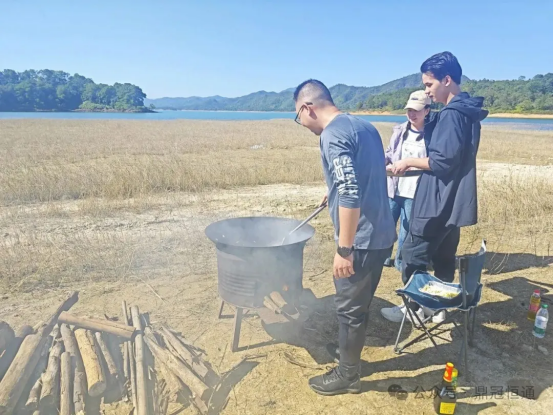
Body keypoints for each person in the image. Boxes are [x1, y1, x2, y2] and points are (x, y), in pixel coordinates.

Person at [293, 79, 396, 396]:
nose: (302, 124)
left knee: (350, 310)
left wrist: (344, 249)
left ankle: (348, 376)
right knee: (358, 305)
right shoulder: (364, 127)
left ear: (308, 108)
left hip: (361, 240)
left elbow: (351, 193)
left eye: (298, 117)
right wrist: (333, 190)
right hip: (382, 232)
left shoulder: (332, 135)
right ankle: (348, 354)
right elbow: (363, 174)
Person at [382, 51, 488, 323]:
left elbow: (442, 161)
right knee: (444, 256)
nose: (427, 91)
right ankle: (437, 308)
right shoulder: (466, 111)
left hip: (437, 200)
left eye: (429, 84)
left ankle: (414, 309)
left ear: (447, 80)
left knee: (411, 255)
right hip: (454, 202)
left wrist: (408, 161)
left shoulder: (452, 114)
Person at [383, 90, 433, 272]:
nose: (412, 114)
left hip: (416, 191)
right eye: (409, 110)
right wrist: (382, 163)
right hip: (394, 187)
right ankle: (383, 257)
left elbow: (434, 161)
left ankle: (400, 262)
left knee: (407, 228)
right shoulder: (400, 130)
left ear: (427, 110)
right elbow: (390, 153)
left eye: (416, 110)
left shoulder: (432, 134)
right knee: (387, 224)